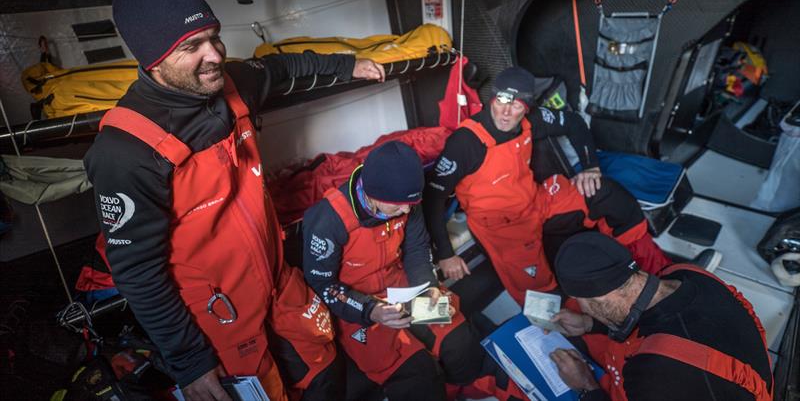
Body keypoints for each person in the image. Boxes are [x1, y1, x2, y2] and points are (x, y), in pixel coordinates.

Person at [84, 0, 385, 401]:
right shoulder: (125, 151)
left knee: (326, 372)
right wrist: (191, 363)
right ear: (153, 60)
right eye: (191, 47)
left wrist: (347, 64)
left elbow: (281, 68)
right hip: (216, 319)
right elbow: (138, 273)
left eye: (214, 37)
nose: (215, 55)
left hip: (278, 281)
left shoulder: (232, 85)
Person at [424, 66, 670, 305]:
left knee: (608, 195)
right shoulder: (466, 142)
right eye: (500, 101)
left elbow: (574, 123)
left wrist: (590, 166)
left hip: (537, 201)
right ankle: (586, 326)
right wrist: (445, 253)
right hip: (500, 225)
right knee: (542, 295)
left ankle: (654, 270)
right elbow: (434, 198)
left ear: (527, 107)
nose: (505, 112)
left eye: (516, 105)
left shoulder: (534, 119)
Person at [302, 141, 525, 401]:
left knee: (459, 341)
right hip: (356, 306)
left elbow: (417, 250)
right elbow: (323, 286)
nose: (407, 211)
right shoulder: (327, 220)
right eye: (397, 206)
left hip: (402, 287)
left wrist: (428, 287)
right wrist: (370, 310)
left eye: (411, 204)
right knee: (416, 376)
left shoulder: (408, 201)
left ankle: (462, 387)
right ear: (373, 195)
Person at [549, 232, 772, 401]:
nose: (583, 309)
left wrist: (586, 386)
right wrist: (590, 323)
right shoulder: (683, 274)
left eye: (583, 305)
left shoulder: (654, 370)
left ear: (597, 299)